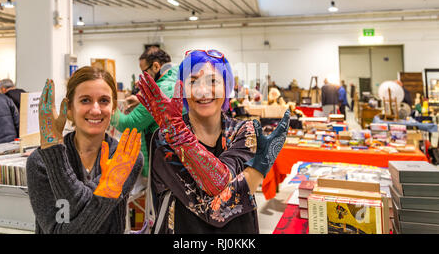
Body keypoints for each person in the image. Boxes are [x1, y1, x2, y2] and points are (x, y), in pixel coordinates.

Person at [137, 49, 290, 234]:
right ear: (181, 89)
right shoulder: (165, 139)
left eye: (212, 81)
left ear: (226, 87)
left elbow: (220, 188)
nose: (202, 91)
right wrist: (256, 170)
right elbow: (211, 211)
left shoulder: (243, 131)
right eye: (192, 82)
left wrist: (179, 137)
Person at [26, 66, 143, 233]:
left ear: (114, 107)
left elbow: (74, 207)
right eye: (85, 100)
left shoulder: (125, 158)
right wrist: (106, 193)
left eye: (104, 100)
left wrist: (106, 189)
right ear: (69, 108)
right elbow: (57, 230)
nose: (95, 110)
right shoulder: (41, 162)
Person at [110, 46, 178, 179]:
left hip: (165, 163)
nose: (144, 77)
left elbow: (129, 124)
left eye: (144, 72)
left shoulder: (159, 90)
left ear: (156, 66)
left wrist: (108, 109)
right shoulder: (179, 81)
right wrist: (142, 101)